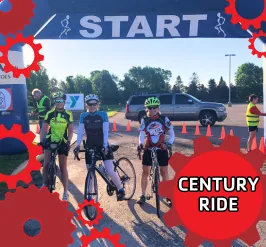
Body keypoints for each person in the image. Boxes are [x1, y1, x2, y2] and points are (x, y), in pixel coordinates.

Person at [73, 94, 125, 201]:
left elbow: (106, 132)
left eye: (94, 104)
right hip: (90, 145)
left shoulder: (103, 115)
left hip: (103, 144)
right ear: (86, 105)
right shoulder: (84, 116)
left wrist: (105, 146)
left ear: (98, 104)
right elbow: (80, 132)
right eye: (89, 104)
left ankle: (120, 189)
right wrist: (77, 145)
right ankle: (90, 197)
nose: (92, 106)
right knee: (90, 171)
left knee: (110, 170)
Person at [136, 97, 175, 206]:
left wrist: (168, 144)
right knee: (145, 172)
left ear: (158, 108)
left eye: (155, 108)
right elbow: (142, 134)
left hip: (161, 147)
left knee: (164, 172)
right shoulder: (145, 119)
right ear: (146, 109)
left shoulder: (164, 119)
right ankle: (143, 195)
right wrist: (140, 144)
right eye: (150, 108)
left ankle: (168, 195)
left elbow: (172, 134)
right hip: (148, 147)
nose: (152, 110)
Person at [39, 92, 74, 201]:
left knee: (63, 167)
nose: (59, 103)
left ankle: (65, 192)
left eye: (61, 101)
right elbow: (44, 129)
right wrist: (42, 141)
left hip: (62, 141)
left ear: (64, 102)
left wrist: (68, 141)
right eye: (57, 101)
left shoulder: (68, 114)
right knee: (45, 164)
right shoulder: (49, 113)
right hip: (50, 140)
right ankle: (45, 184)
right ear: (55, 102)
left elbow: (71, 130)